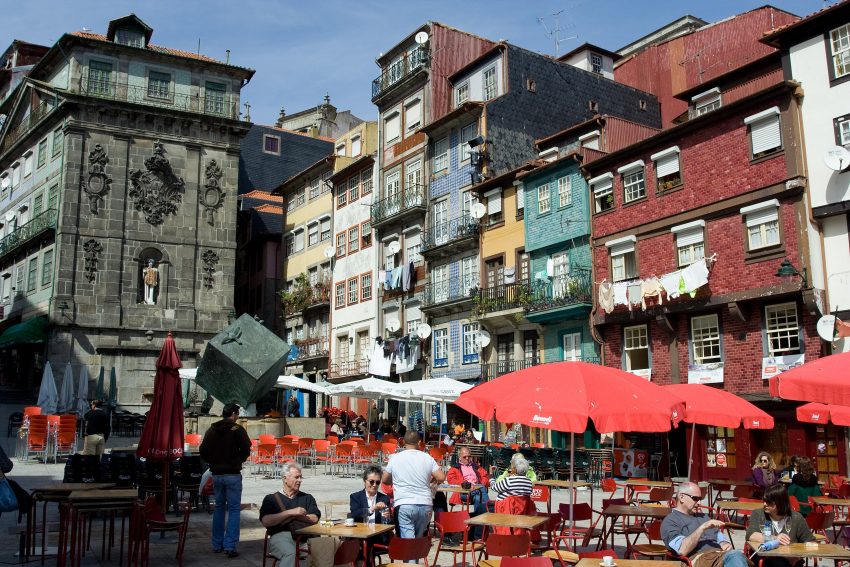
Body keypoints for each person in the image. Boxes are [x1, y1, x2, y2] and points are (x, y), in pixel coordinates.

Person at [199, 403, 252, 558]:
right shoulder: (237, 430)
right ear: (234, 414)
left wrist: (213, 462)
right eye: (238, 414)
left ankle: (217, 544)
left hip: (217, 475)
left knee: (219, 508)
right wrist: (238, 460)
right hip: (233, 474)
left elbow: (202, 451)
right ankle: (230, 545)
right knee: (234, 510)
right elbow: (246, 449)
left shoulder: (211, 430)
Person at [261, 461, 336, 567]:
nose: (300, 480)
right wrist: (290, 513)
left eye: (301, 477)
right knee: (290, 553)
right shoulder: (271, 499)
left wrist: (297, 516)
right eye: (296, 477)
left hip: (305, 536)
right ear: (285, 478)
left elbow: (314, 518)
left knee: (328, 547)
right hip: (280, 535)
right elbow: (266, 521)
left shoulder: (307, 498)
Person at [661, 481, 749, 567]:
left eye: (700, 499)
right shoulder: (671, 521)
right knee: (736, 557)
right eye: (695, 498)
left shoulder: (703, 516)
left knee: (738, 556)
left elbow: (718, 535)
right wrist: (702, 528)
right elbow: (682, 550)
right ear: (681, 497)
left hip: (719, 556)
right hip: (699, 558)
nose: (699, 503)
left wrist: (724, 543)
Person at [382, 431, 445, 538]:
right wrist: (432, 479)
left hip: (404, 503)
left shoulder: (395, 458)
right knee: (417, 542)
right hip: (425, 503)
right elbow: (442, 477)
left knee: (409, 544)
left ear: (403, 442)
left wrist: (397, 478)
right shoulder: (427, 457)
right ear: (419, 442)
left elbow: (385, 479)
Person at [746, 483, 813, 567]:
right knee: (778, 562)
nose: (765, 504)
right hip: (765, 559)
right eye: (764, 501)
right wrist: (775, 539)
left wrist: (798, 556)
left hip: (791, 561)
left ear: (780, 503)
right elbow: (751, 535)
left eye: (769, 502)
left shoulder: (796, 518)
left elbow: (809, 541)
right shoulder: (758, 514)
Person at [349, 465, 393, 548]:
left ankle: (366, 560)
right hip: (361, 534)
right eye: (371, 481)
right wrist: (372, 509)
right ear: (364, 481)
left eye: (377, 482)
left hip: (378, 535)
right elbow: (354, 514)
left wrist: (387, 518)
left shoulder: (384, 498)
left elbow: (390, 524)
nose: (374, 485)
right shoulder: (355, 497)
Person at [446, 446, 489, 521]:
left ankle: (475, 524)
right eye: (464, 456)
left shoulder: (476, 467)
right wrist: (466, 484)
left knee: (478, 498)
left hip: (477, 490)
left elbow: (485, 477)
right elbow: (451, 480)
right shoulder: (455, 468)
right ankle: (490, 510)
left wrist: (479, 484)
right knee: (481, 489)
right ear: (459, 457)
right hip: (464, 491)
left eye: (469, 456)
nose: (467, 458)